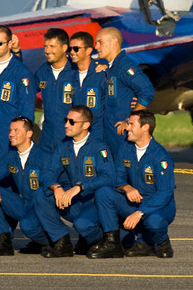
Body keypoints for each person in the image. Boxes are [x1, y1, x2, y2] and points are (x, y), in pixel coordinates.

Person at [89, 110, 175, 259]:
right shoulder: (126, 147)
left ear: (145, 127)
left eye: (131, 124)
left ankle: (162, 242)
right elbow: (116, 177)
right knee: (103, 192)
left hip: (159, 206)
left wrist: (139, 213)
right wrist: (126, 187)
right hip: (134, 200)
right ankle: (112, 243)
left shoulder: (160, 156)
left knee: (154, 222)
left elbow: (164, 193)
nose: (127, 128)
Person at [33, 105, 114, 258]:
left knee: (82, 225)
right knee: (42, 195)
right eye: (66, 120)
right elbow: (47, 173)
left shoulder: (99, 147)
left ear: (86, 125)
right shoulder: (64, 147)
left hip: (95, 203)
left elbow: (109, 177)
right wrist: (56, 187)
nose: (66, 125)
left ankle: (103, 239)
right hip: (75, 202)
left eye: (71, 121)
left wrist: (80, 187)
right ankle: (62, 242)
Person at [0, 116, 51, 256]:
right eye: (11, 130)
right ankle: (3, 241)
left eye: (16, 130)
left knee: (27, 225)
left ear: (29, 134)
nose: (11, 134)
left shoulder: (44, 157)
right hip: (24, 204)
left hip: (41, 207)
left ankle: (48, 241)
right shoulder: (12, 156)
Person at [94, 27, 155, 155]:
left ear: (114, 42)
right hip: (110, 135)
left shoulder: (125, 67)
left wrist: (130, 120)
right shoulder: (112, 68)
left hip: (122, 137)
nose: (96, 47)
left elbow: (147, 90)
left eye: (100, 42)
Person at [0, 25, 35, 160]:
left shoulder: (22, 73)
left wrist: (20, 139)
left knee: (8, 179)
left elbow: (27, 110)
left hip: (8, 139)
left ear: (10, 44)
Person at [34, 28, 78, 152]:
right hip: (46, 138)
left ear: (64, 48)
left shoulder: (76, 71)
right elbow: (25, 89)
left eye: (52, 46)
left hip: (69, 137)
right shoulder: (42, 71)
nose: (47, 51)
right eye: (45, 46)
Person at [69, 31, 107, 144]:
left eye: (76, 49)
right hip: (76, 138)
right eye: (69, 49)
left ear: (89, 51)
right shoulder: (70, 76)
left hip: (99, 137)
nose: (71, 52)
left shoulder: (103, 74)